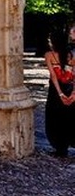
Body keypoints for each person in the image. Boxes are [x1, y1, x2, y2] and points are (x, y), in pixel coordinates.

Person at [44, 28, 75, 157]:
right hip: (69, 88)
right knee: (71, 118)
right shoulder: (72, 55)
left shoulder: (49, 55)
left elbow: (53, 76)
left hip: (56, 92)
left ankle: (60, 149)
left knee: (55, 119)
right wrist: (74, 93)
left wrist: (60, 94)